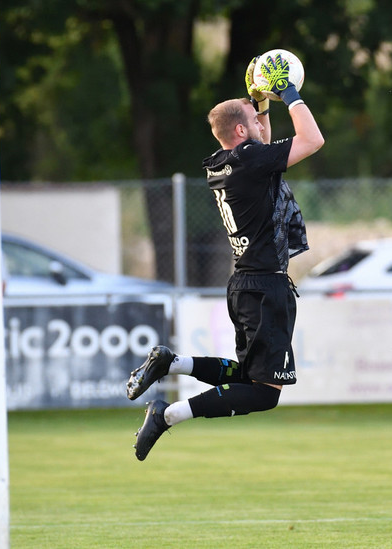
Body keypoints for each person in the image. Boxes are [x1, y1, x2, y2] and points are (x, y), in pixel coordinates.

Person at [126, 52, 324, 461]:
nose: (260, 126)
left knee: (246, 377)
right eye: (253, 121)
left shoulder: (227, 162)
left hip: (247, 283)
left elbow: (264, 144)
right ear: (239, 130)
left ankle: (172, 363)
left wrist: (261, 103)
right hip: (265, 286)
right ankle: (167, 416)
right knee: (265, 395)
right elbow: (313, 140)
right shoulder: (250, 160)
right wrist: (287, 91)